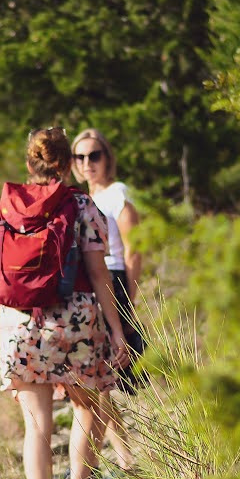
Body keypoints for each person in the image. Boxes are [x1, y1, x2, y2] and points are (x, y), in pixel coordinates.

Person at [0, 126, 131, 479]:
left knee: (36, 427)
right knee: (88, 406)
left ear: (30, 164)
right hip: (73, 325)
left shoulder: (5, 210)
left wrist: (6, 348)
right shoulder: (82, 205)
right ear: (68, 164)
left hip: (19, 327)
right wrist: (117, 327)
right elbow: (99, 274)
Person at [71, 128, 144, 462]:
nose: (88, 163)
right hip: (88, 288)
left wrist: (129, 294)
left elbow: (134, 250)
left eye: (94, 155)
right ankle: (123, 457)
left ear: (107, 157)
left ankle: (129, 456)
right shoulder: (79, 198)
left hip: (112, 282)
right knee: (98, 380)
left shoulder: (117, 194)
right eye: (80, 157)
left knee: (112, 376)